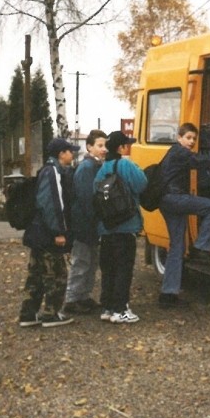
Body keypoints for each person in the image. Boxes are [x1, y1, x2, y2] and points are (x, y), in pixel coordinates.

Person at [158, 122, 210, 308]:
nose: (191, 142)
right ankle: (201, 247)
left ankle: (168, 295)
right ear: (179, 138)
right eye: (188, 138)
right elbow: (199, 162)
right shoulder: (180, 153)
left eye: (194, 139)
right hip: (175, 199)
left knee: (177, 247)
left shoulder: (174, 152)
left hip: (167, 200)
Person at [19, 137, 79, 328]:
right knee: (56, 274)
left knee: (35, 275)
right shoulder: (53, 173)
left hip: (37, 233)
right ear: (61, 154)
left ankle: (28, 314)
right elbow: (53, 205)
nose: (72, 154)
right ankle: (51, 314)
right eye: (70, 151)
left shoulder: (46, 170)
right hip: (47, 235)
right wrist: (58, 232)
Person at [94, 130, 147, 324]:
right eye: (127, 144)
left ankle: (107, 308)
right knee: (124, 268)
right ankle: (120, 309)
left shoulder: (102, 168)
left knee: (108, 269)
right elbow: (142, 184)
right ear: (121, 147)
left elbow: (95, 192)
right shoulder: (125, 164)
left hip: (106, 227)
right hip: (125, 226)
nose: (129, 146)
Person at [63, 129, 108, 315]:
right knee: (81, 261)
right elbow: (85, 198)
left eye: (105, 145)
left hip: (90, 223)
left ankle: (83, 296)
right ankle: (72, 298)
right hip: (84, 224)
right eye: (100, 145)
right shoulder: (87, 168)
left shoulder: (95, 166)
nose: (104, 149)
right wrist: (95, 220)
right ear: (89, 147)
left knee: (90, 261)